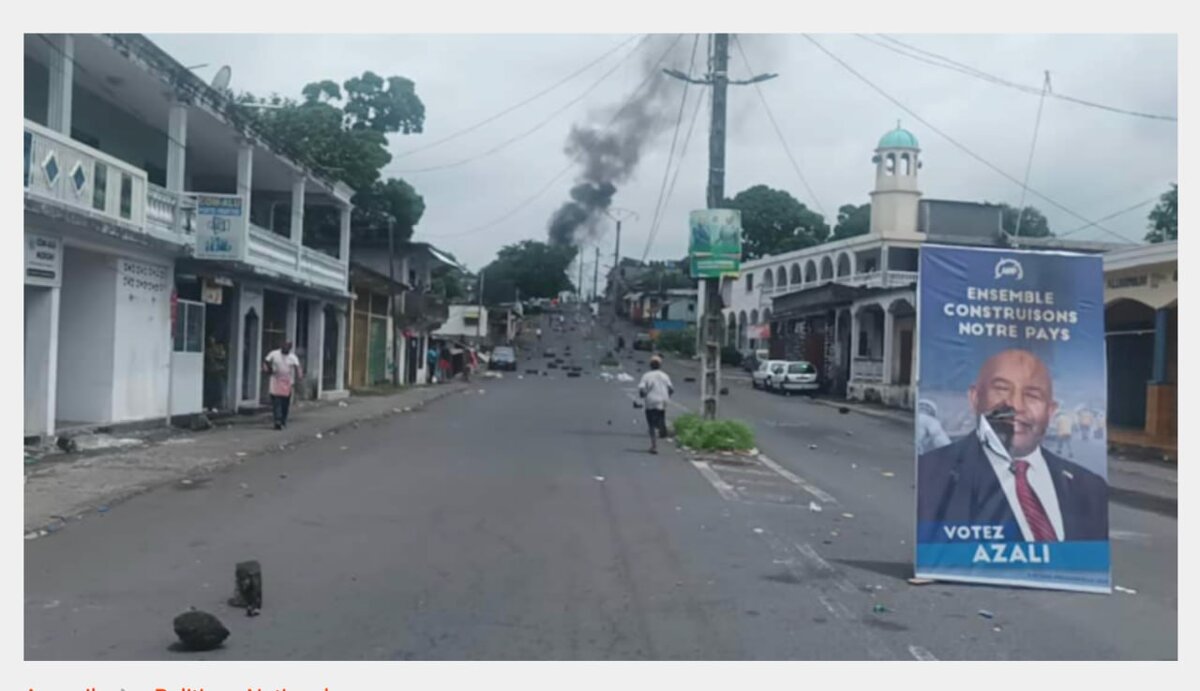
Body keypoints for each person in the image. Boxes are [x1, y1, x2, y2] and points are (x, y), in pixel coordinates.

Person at [917, 349, 1108, 542]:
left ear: (1050, 411)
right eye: (1001, 389)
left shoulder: (1090, 488)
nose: (1015, 405)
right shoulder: (931, 473)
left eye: (1032, 395)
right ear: (975, 398)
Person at [638, 356, 674, 454]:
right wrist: (667, 396)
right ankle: (662, 428)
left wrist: (643, 396)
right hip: (663, 401)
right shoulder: (665, 376)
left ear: (650, 365)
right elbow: (671, 389)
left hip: (651, 401)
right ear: (660, 365)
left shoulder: (646, 375)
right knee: (661, 416)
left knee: (651, 424)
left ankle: (654, 445)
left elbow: (642, 390)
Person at [262, 341, 302, 430]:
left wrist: (299, 377)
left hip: (287, 382)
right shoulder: (274, 354)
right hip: (276, 380)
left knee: (285, 403)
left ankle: (283, 420)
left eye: (288, 347)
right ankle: (277, 420)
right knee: (276, 402)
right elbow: (266, 361)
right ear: (281, 346)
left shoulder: (292, 357)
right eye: (284, 346)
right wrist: (266, 369)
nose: (286, 348)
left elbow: (297, 367)